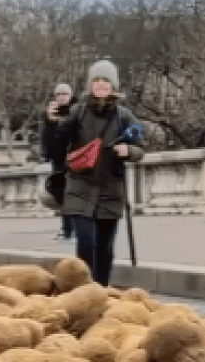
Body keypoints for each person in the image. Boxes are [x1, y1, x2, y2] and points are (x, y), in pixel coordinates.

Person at [47, 60, 146, 287]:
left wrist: (129, 150)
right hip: (80, 186)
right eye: (97, 81)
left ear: (114, 86)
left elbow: (141, 146)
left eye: (106, 81)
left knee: (105, 247)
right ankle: (84, 289)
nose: (101, 85)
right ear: (90, 85)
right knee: (85, 242)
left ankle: (101, 290)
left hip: (111, 189)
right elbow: (57, 140)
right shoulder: (77, 112)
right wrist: (51, 121)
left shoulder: (125, 117)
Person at [41, 82, 77, 241]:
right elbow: (46, 141)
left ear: (71, 95)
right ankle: (66, 228)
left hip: (76, 159)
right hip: (58, 160)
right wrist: (50, 122)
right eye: (58, 94)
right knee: (61, 195)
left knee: (74, 195)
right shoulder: (51, 114)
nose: (61, 97)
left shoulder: (77, 111)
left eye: (64, 94)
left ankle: (73, 228)